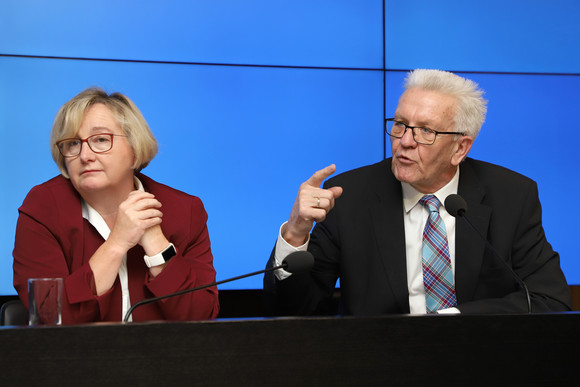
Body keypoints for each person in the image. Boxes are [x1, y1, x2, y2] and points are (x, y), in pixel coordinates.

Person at [264, 69, 572, 316]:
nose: (405, 141)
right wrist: (295, 234)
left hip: (482, 362)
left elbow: (550, 301)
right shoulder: (349, 196)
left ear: (460, 148)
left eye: (426, 131)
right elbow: (294, 313)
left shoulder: (511, 196)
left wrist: (452, 320)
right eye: (400, 124)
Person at [13, 88, 219, 324]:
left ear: (134, 151)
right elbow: (49, 318)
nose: (84, 156)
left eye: (100, 140)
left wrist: (157, 245)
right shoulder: (43, 208)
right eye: (72, 144)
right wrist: (117, 243)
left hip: (165, 358)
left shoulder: (185, 210)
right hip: (79, 359)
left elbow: (202, 319)